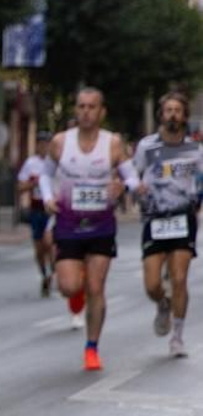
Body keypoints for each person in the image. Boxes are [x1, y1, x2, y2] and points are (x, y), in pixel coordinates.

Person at [39, 87, 138, 371]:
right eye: (81, 106)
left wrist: (123, 187)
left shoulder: (113, 144)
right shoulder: (60, 142)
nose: (85, 112)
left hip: (101, 226)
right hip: (68, 224)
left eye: (91, 107)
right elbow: (45, 175)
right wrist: (47, 198)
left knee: (97, 287)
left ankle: (92, 347)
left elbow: (132, 179)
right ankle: (77, 289)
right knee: (69, 287)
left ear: (101, 111)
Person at [133, 91, 203, 357]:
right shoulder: (146, 147)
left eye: (177, 110)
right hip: (155, 217)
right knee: (152, 283)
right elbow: (134, 175)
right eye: (168, 110)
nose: (172, 115)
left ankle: (178, 336)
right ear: (161, 115)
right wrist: (134, 188)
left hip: (183, 218)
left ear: (184, 116)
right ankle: (163, 304)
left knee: (180, 278)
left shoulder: (195, 150)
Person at [17, 130, 56, 296]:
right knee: (39, 248)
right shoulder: (31, 163)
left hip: (52, 209)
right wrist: (33, 183)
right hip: (36, 209)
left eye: (47, 144)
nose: (44, 147)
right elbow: (20, 187)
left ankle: (54, 269)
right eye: (41, 144)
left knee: (49, 242)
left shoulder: (56, 162)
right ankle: (44, 274)